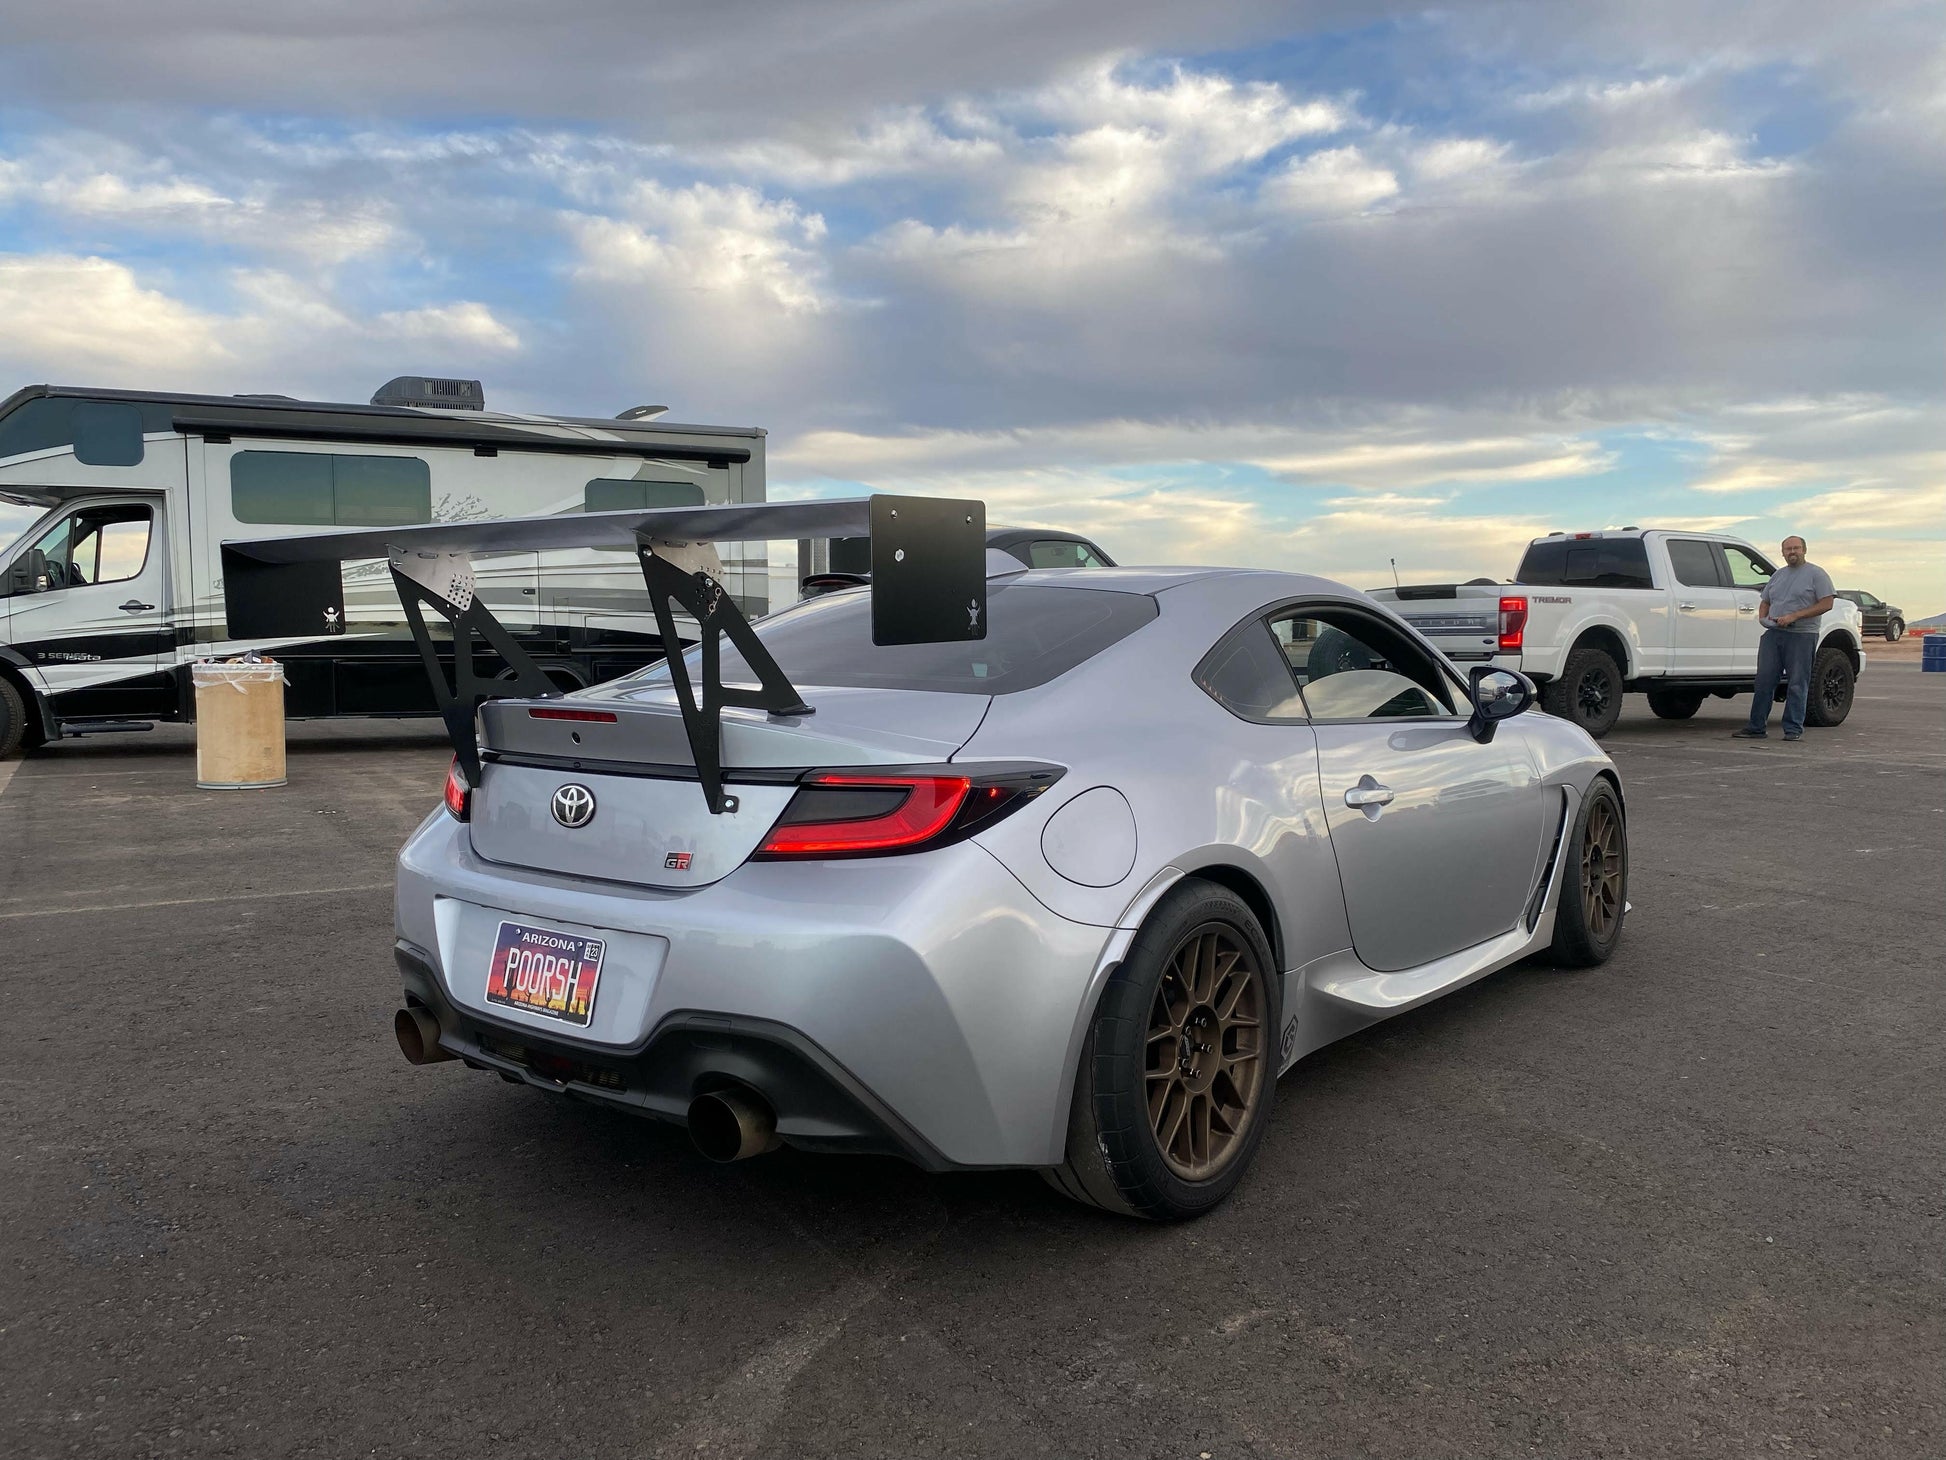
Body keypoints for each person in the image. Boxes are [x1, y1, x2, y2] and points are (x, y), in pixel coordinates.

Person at [1733, 535, 1834, 742]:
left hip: (1802, 635)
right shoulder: (1778, 575)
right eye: (1788, 549)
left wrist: (1795, 616)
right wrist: (1763, 618)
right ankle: (1756, 727)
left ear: (1804, 550)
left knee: (1797, 682)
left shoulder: (1817, 574)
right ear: (1782, 552)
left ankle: (1793, 729)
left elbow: (1827, 603)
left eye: (1796, 548)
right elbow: (1765, 601)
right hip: (1774, 634)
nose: (1792, 552)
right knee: (1764, 681)